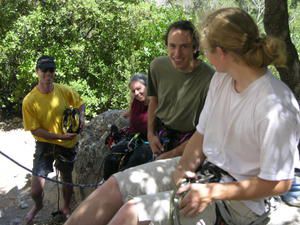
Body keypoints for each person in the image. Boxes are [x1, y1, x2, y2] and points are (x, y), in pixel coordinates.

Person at [64, 8, 300, 225]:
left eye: (206, 49)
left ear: (221, 52)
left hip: (239, 203)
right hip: (204, 172)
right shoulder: (222, 79)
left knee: (132, 212)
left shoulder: (276, 106)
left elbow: (280, 183)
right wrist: (183, 168)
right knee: (114, 186)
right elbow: (202, 134)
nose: (204, 56)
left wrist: (212, 192)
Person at [22, 55, 85, 224]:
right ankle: (38, 205)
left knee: (66, 178)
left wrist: (82, 119)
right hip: (45, 144)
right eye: (44, 70)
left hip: (67, 144)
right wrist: (58, 136)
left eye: (51, 70)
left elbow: (80, 103)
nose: (48, 74)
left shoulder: (63, 90)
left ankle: (65, 207)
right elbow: (35, 129)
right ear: (37, 72)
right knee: (35, 190)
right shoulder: (29, 100)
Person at [147, 20, 214, 159]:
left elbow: (207, 130)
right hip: (160, 133)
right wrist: (150, 134)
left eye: (184, 46)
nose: (177, 53)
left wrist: (171, 154)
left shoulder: (210, 79)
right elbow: (154, 101)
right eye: (172, 46)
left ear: (195, 48)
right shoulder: (157, 67)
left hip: (188, 140)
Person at [103, 73, 152, 179]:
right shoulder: (137, 102)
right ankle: (106, 184)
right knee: (110, 158)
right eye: (133, 91)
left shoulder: (155, 102)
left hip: (150, 142)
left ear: (147, 86)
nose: (136, 93)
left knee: (131, 166)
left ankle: (119, 188)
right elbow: (129, 113)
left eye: (139, 89)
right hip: (134, 138)